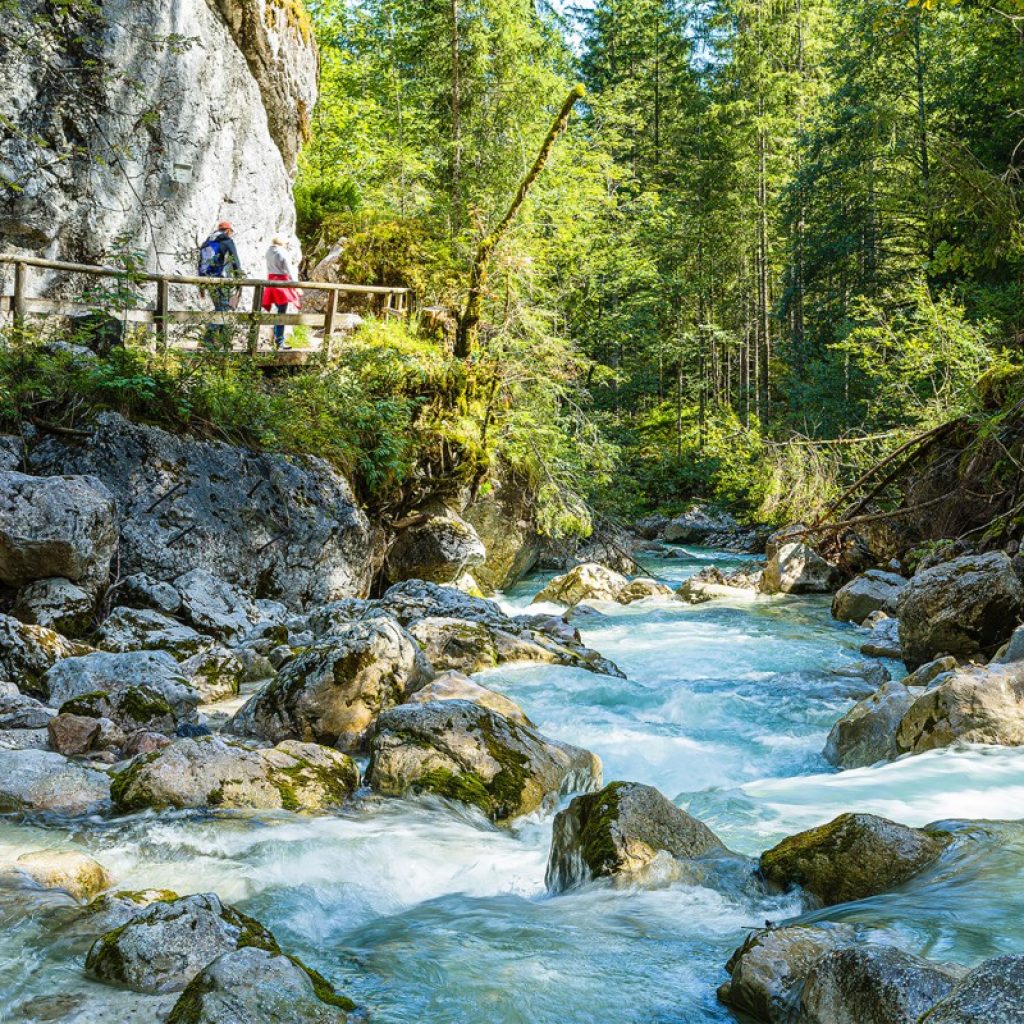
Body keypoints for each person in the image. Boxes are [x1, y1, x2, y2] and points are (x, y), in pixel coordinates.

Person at [197, 221, 244, 347]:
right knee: (223, 309)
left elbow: (200, 263)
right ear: (228, 231)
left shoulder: (206, 242)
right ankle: (207, 339)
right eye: (231, 232)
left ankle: (223, 340)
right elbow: (235, 261)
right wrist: (240, 280)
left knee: (221, 308)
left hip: (208, 281)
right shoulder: (227, 241)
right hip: (221, 281)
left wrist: (201, 285)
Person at [262, 235, 301, 350]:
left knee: (279, 312)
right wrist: (297, 286)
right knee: (281, 313)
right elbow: (290, 271)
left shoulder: (269, 252)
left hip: (271, 283)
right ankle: (279, 342)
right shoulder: (282, 253)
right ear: (283, 243)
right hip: (281, 285)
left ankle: (275, 338)